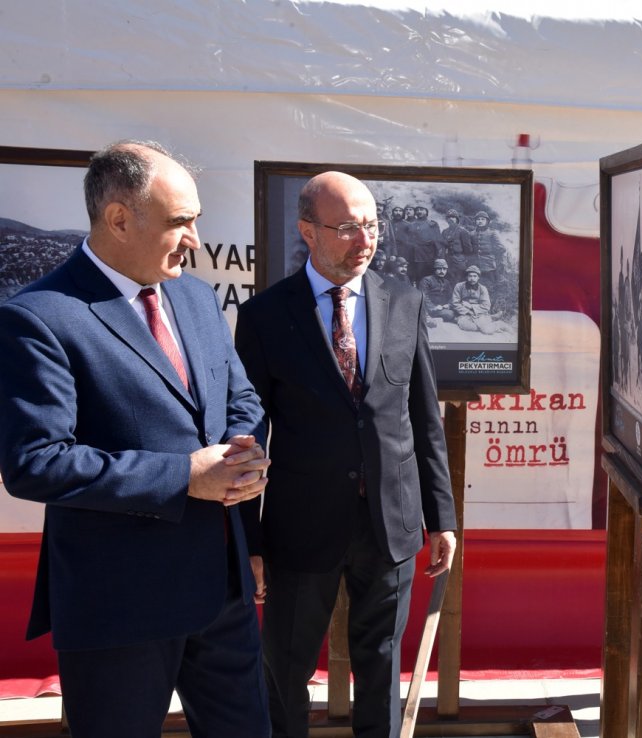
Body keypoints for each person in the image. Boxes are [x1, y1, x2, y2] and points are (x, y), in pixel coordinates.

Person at [0, 140, 271, 738]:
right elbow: (34, 462)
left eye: (196, 220)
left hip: (220, 591)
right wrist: (186, 476)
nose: (195, 239)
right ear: (119, 219)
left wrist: (243, 452)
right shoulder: (39, 315)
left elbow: (240, 399)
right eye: (180, 222)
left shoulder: (197, 298)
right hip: (118, 604)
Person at [234, 170, 457, 738]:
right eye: (348, 228)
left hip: (390, 523)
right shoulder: (265, 316)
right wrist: (248, 541)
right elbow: (246, 436)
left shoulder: (404, 301)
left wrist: (442, 517)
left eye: (373, 226)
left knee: (381, 667)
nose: (366, 241)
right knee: (285, 668)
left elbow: (423, 416)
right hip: (300, 527)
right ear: (307, 230)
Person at [451, 264, 496, 334]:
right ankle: (489, 319)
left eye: (475, 276)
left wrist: (471, 306)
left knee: (487, 330)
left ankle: (499, 324)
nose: (472, 279)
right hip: (463, 313)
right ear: (466, 277)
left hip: (479, 313)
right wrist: (468, 311)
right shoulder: (459, 286)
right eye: (470, 276)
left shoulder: (482, 288)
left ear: (478, 278)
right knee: (468, 327)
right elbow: (455, 303)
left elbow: (486, 305)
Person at [418, 258, 456, 325]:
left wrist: (448, 305)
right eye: (439, 269)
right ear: (435, 269)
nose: (442, 271)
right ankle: (429, 318)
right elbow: (423, 296)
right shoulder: (426, 280)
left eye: (444, 269)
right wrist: (433, 307)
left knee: (454, 312)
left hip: (441, 308)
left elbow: (451, 296)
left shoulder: (447, 282)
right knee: (450, 314)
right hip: (427, 308)